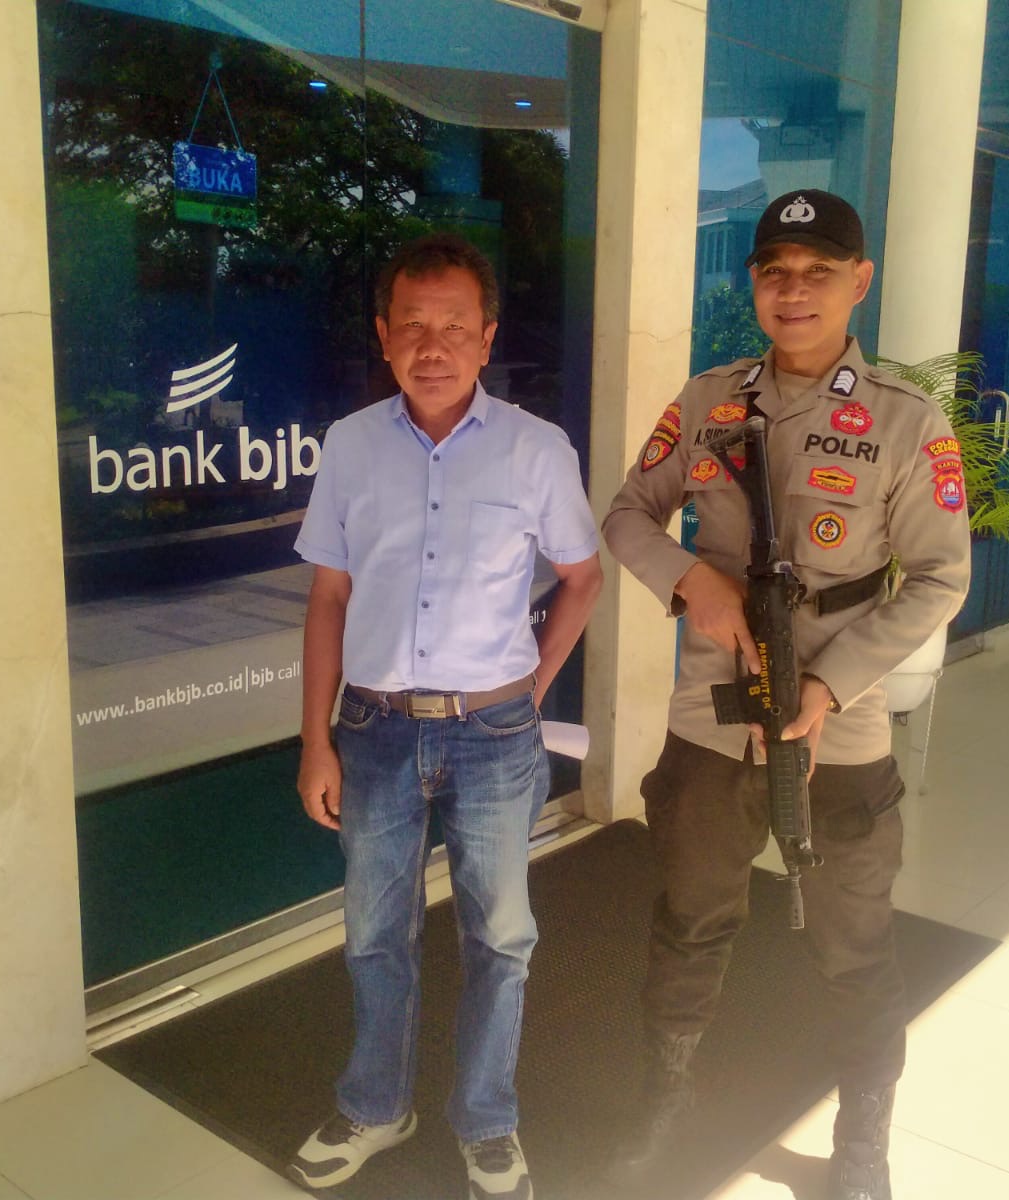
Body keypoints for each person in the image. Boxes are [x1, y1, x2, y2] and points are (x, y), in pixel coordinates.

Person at [601, 190, 971, 1200]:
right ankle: (666, 1099)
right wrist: (693, 581)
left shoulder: (905, 421)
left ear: (860, 282)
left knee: (855, 946)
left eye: (818, 273)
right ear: (755, 285)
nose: (794, 291)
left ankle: (863, 1142)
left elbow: (941, 578)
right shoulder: (709, 400)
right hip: (711, 720)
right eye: (775, 272)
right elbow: (628, 515)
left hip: (837, 732)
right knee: (690, 919)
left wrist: (829, 684)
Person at [287, 233, 603, 1199]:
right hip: (373, 731)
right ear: (384, 335)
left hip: (495, 735)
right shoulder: (350, 446)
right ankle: (377, 1106)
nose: (434, 346)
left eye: (455, 327)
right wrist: (315, 741)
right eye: (413, 326)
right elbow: (329, 600)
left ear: (487, 337)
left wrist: (532, 688)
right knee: (373, 933)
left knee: (500, 938)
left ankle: (487, 1122)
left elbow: (583, 577)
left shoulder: (535, 449)